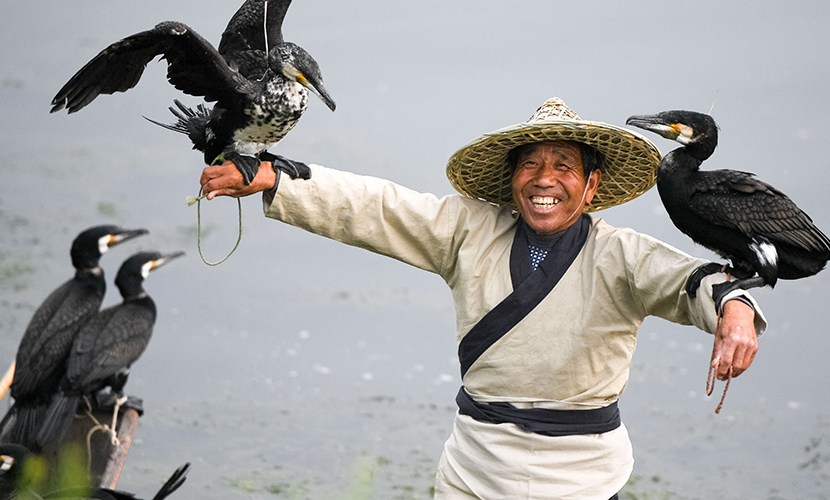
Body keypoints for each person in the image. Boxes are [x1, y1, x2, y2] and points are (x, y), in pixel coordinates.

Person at [198, 98, 766, 499]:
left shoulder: (624, 254)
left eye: (563, 166)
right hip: (474, 469)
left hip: (584, 477)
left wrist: (736, 310)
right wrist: (275, 178)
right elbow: (378, 207)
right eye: (531, 164)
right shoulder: (468, 230)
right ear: (512, 178)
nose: (545, 179)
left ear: (592, 188)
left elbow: (695, 281)